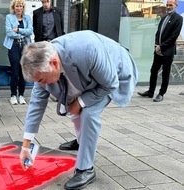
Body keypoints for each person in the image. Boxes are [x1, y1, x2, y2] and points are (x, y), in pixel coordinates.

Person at [19, 30, 138, 190]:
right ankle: (82, 141)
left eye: (41, 80)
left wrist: (81, 102)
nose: (41, 85)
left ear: (54, 63)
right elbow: (36, 104)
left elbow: (110, 84)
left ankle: (86, 169)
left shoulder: (87, 50)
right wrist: (26, 146)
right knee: (72, 107)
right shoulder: (42, 64)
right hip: (90, 74)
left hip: (115, 73)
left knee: (88, 112)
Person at [138, 0, 183, 102]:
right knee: (153, 71)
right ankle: (150, 91)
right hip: (158, 50)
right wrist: (156, 45)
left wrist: (161, 47)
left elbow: (174, 36)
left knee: (165, 74)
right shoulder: (163, 17)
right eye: (167, 5)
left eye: (170, 5)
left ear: (176, 6)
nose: (168, 6)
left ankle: (161, 94)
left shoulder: (179, 18)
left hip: (167, 51)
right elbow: (158, 33)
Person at [3, 0, 33, 105]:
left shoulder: (27, 18)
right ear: (13, 7)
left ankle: (21, 95)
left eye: (20, 6)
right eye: (17, 6)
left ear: (23, 7)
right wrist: (22, 34)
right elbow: (9, 32)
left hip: (25, 46)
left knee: (23, 72)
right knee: (15, 71)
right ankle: (13, 95)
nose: (19, 8)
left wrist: (19, 30)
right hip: (13, 45)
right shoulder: (9, 17)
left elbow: (30, 31)